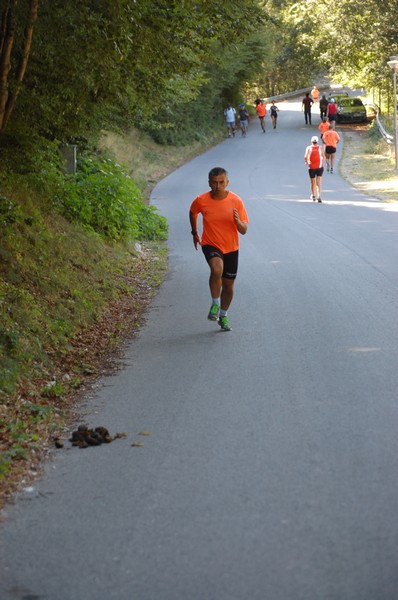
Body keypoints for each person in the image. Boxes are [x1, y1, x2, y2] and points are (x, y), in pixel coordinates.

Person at [189, 167, 249, 331]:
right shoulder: (201, 200)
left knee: (229, 287)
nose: (217, 186)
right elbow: (193, 212)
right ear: (209, 183)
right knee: (217, 269)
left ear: (227, 182)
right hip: (210, 243)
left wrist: (238, 223)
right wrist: (194, 232)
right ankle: (215, 303)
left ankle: (223, 315)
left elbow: (244, 230)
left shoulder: (236, 201)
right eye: (214, 183)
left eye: (221, 182)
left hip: (231, 247)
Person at [304, 135, 325, 203]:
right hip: (319, 167)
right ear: (317, 142)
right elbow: (323, 157)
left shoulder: (309, 148)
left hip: (312, 167)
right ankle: (319, 196)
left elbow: (305, 156)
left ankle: (313, 196)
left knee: (313, 182)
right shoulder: (320, 147)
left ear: (311, 141)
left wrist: (307, 162)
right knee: (319, 182)